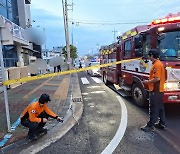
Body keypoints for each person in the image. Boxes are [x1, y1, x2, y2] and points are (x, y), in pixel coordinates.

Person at [141, 49, 166, 132]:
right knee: (160, 107)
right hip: (159, 90)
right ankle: (162, 123)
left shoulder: (157, 65)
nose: (149, 57)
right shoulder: (157, 64)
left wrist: (147, 82)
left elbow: (157, 78)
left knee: (154, 108)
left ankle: (150, 125)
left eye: (149, 55)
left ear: (152, 56)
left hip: (156, 90)